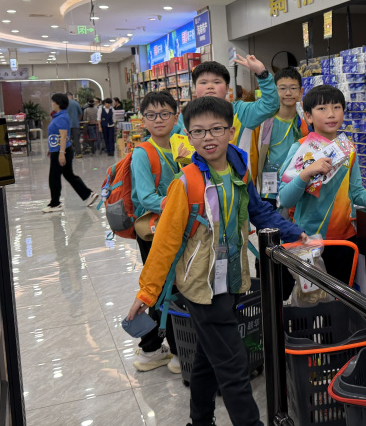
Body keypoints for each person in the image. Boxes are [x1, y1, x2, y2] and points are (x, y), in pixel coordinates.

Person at [127, 96, 307, 426]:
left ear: (230, 131)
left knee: (208, 360)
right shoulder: (186, 182)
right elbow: (165, 242)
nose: (208, 137)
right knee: (233, 368)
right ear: (189, 136)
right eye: (198, 131)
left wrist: (296, 233)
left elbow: (259, 211)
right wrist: (147, 292)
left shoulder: (238, 170)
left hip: (232, 280)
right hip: (201, 288)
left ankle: (199, 421)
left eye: (216, 129)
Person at [277, 85, 366, 285]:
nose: (331, 114)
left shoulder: (348, 149)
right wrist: (306, 173)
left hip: (344, 240)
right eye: (322, 108)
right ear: (308, 116)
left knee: (341, 298)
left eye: (337, 107)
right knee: (310, 299)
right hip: (307, 240)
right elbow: (286, 199)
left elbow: (357, 193)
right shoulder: (300, 148)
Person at [129, 91, 182, 374]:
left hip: (177, 226)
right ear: (144, 120)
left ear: (176, 116)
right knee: (164, 287)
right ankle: (173, 350)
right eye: (151, 115)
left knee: (170, 286)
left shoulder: (181, 145)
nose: (158, 120)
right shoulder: (142, 153)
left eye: (164, 114)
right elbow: (146, 196)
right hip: (153, 231)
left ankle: (153, 348)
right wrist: (178, 205)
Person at [171, 56, 279, 186]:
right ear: (194, 88)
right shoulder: (186, 116)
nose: (210, 86)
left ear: (227, 88)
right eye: (203, 82)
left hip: (238, 186)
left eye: (217, 82)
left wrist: (262, 73)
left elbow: (270, 105)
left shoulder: (240, 112)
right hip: (199, 186)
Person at [254, 68, 309, 208]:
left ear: (301, 92)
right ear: (275, 91)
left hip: (292, 186)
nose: (288, 93)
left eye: (293, 88)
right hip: (267, 189)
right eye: (282, 88)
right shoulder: (263, 123)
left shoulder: (304, 125)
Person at [44, 93, 99, 213]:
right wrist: (50, 147)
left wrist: (61, 153)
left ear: (58, 104)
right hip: (57, 149)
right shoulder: (58, 116)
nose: (52, 104)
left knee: (54, 177)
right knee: (68, 175)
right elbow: (55, 135)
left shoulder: (62, 117)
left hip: (61, 151)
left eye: (53, 102)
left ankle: (55, 203)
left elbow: (64, 137)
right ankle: (88, 194)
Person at [65, 92, 83, 158]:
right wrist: (78, 120)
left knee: (67, 139)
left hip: (66, 125)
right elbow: (80, 113)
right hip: (75, 124)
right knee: (76, 139)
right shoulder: (76, 103)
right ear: (71, 96)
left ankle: (69, 153)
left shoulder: (63, 104)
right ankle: (78, 153)